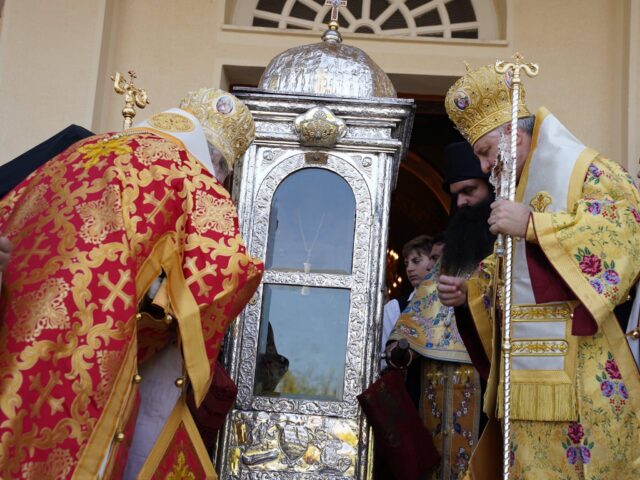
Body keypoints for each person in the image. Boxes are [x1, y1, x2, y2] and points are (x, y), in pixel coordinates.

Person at [0, 88, 263, 479]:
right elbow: (226, 272)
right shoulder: (193, 178)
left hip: (18, 316)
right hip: (96, 340)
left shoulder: (82, 150)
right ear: (217, 164)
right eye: (223, 170)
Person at [438, 64, 640, 479]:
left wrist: (534, 225)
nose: (484, 166)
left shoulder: (590, 171)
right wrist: (471, 290)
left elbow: (625, 233)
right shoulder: (515, 189)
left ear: (513, 135)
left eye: (486, 151)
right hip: (522, 381)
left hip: (584, 372)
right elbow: (511, 272)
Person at [386, 141, 495, 480]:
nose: (461, 203)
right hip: (433, 383)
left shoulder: (507, 247)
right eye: (455, 195)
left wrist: (472, 299)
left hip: (484, 381)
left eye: (469, 191)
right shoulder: (451, 253)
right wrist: (401, 345)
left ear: (492, 188)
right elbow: (420, 312)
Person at [380, 234, 435, 356]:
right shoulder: (394, 308)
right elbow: (384, 357)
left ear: (434, 262)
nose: (409, 268)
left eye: (416, 261)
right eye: (406, 263)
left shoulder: (451, 302)